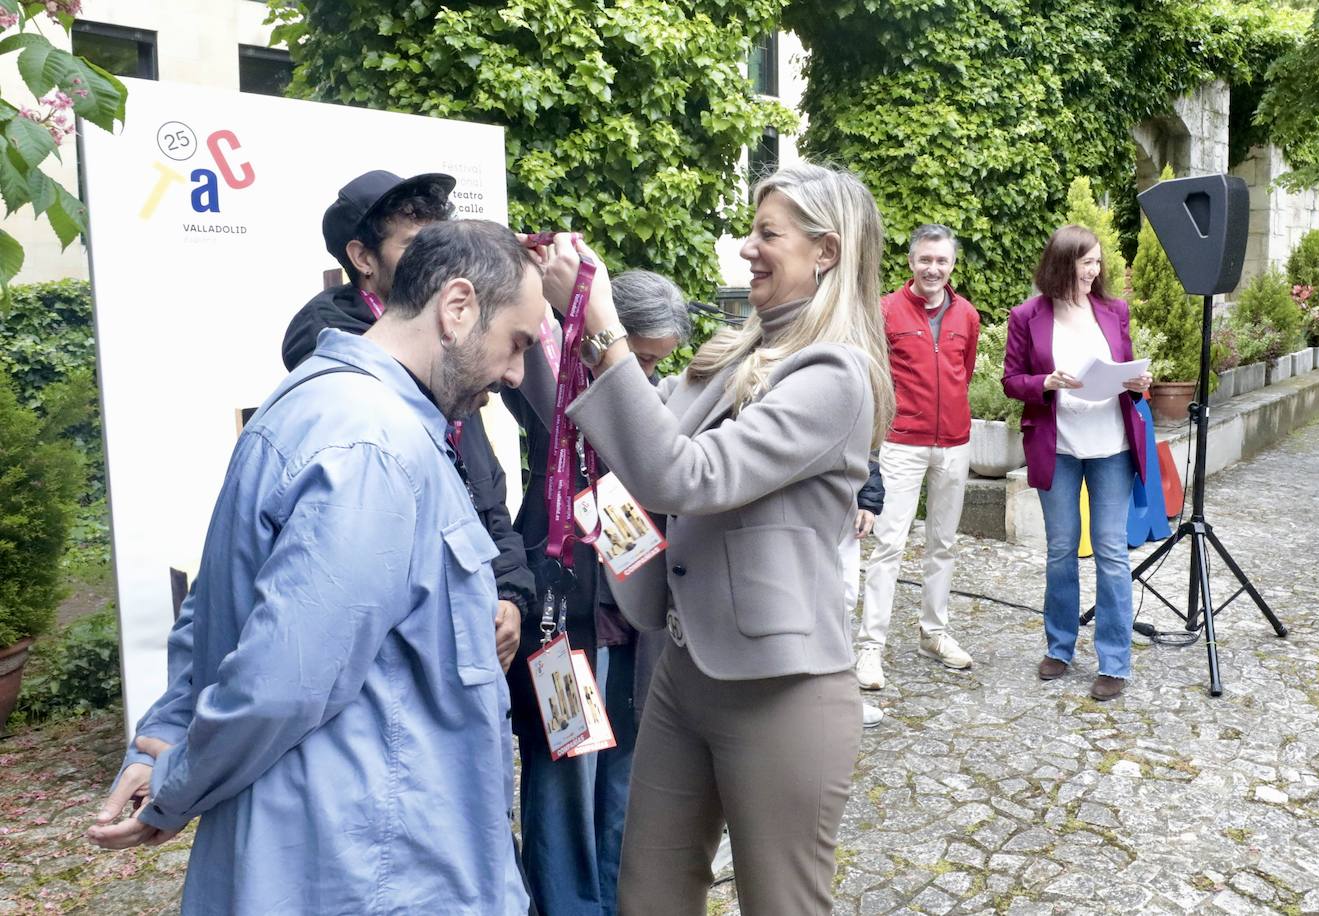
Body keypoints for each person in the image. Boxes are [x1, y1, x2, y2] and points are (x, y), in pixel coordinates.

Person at [86, 220, 546, 914]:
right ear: (457, 308)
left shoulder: (319, 408)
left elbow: (213, 623)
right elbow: (282, 678)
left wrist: (164, 751)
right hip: (367, 868)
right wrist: (174, 777)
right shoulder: (372, 444)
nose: (515, 373)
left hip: (348, 851)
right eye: (517, 343)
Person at [535, 161, 894, 915]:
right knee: (650, 898)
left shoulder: (834, 375)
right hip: (682, 669)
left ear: (825, 251)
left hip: (781, 689)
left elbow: (684, 476)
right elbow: (619, 428)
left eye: (769, 234)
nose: (748, 248)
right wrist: (547, 319)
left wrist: (601, 325)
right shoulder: (738, 349)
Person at [280, 169, 535, 667]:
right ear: (362, 258)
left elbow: (484, 490)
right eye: (416, 244)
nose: (513, 374)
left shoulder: (451, 366)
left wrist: (509, 593)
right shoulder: (349, 390)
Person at [504, 268, 689, 916]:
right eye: (634, 357)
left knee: (630, 779)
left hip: (635, 625)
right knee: (564, 781)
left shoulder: (664, 403)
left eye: (654, 365)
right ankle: (567, 905)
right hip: (563, 618)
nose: (640, 374)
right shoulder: (548, 379)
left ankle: (621, 900)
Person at [1001, 224, 1152, 701]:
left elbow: (1127, 370)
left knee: (1110, 554)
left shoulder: (1114, 310)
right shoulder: (1027, 315)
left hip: (1112, 448)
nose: (1095, 270)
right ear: (1062, 263)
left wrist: (1136, 382)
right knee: (1061, 551)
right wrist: (1046, 382)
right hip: (1059, 448)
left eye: (1098, 261)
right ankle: (1060, 648)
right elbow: (1012, 380)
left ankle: (1114, 661)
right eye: (1086, 261)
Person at [855, 223, 980, 690]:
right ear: (911, 261)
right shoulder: (885, 310)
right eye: (925, 259)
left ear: (952, 265)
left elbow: (962, 373)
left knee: (943, 544)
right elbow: (876, 376)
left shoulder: (967, 314)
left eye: (942, 261)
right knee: (889, 544)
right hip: (901, 442)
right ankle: (871, 648)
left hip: (953, 442)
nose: (933, 268)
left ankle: (935, 632)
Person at [841, 457, 886, 727]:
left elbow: (863, 447)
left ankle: (842, 698)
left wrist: (868, 501)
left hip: (843, 506)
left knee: (844, 602)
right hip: (800, 504)